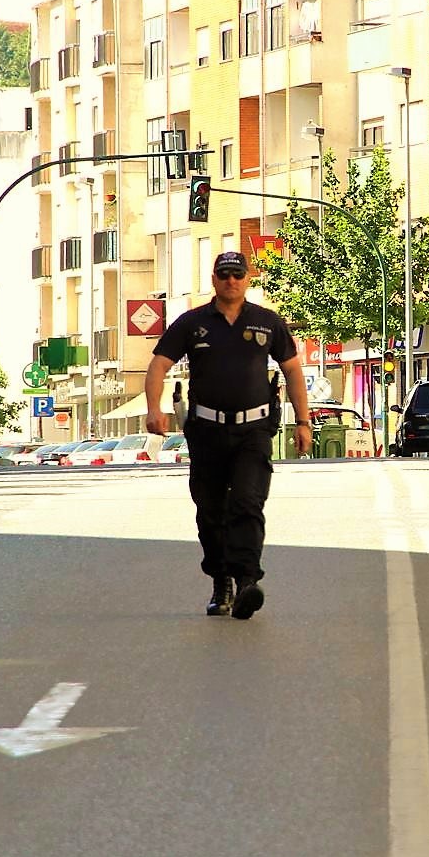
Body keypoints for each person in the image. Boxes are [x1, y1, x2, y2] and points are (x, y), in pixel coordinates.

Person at [145, 251, 313, 619]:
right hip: (206, 430)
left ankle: (248, 582)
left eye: (238, 274)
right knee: (210, 511)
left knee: (248, 503)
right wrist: (154, 408)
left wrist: (303, 421)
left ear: (247, 279)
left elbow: (292, 371)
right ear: (214, 279)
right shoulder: (192, 323)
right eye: (224, 274)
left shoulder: (267, 322)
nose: (231, 281)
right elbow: (159, 364)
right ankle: (221, 581)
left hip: (253, 430)